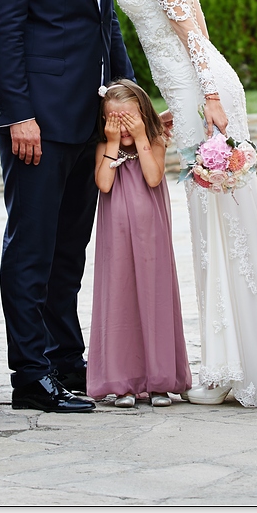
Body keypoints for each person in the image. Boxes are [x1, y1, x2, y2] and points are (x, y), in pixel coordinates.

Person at [110, 0, 257, 408]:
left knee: (218, 223)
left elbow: (191, 31)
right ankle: (231, 361)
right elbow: (195, 24)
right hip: (192, 92)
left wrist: (209, 98)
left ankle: (238, 366)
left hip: (202, 95)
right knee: (214, 224)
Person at [0, 0, 136, 414]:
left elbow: (105, 24)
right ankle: (30, 376)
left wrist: (127, 96)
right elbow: (3, 28)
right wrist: (18, 113)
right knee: (32, 248)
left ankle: (68, 361)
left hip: (87, 116)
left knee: (70, 249)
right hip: (37, 121)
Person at [88, 80, 191, 409]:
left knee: (154, 295)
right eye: (114, 120)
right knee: (120, 299)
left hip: (151, 236)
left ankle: (159, 381)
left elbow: (153, 177)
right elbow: (104, 184)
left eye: (129, 119)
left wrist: (143, 136)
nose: (123, 127)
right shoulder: (105, 147)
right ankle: (123, 383)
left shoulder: (155, 142)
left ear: (144, 115)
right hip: (116, 238)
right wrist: (112, 141)